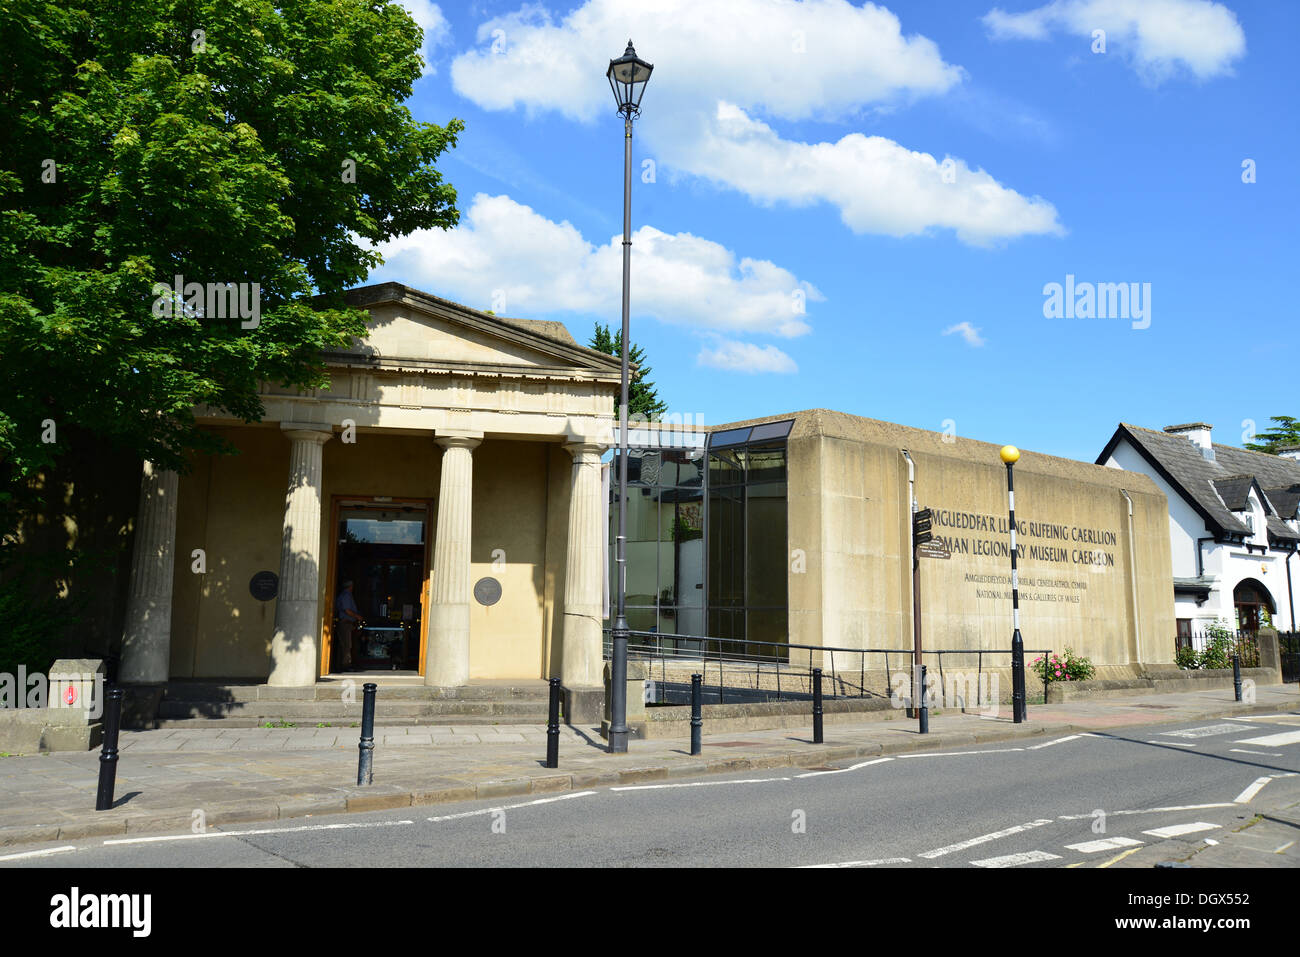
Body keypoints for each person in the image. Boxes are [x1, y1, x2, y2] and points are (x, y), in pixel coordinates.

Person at [334, 580, 363, 670]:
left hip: (346, 623)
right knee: (347, 645)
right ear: (350, 586)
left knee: (345, 644)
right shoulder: (346, 595)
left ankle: (343, 664)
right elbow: (347, 610)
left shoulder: (345, 595)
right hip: (345, 623)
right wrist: (358, 616)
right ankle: (345, 665)